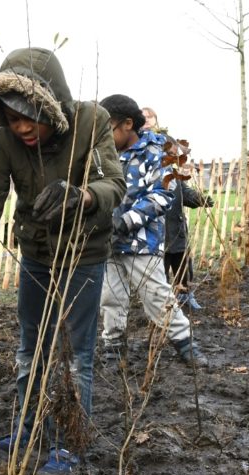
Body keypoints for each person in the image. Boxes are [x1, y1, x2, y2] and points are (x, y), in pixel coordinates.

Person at [0, 47, 126, 474]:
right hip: (36, 257)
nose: (20, 127)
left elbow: (114, 184)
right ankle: (27, 427)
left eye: (28, 117)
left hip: (82, 256)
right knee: (30, 348)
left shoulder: (91, 122)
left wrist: (82, 195)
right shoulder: (3, 144)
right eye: (11, 118)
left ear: (51, 104)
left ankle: (71, 442)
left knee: (75, 354)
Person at [98, 94, 208, 368]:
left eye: (107, 127)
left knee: (157, 296)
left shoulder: (157, 154)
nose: (103, 135)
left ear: (127, 124)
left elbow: (161, 195)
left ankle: (185, 343)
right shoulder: (105, 155)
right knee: (111, 298)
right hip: (108, 242)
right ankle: (114, 348)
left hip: (140, 242)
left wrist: (126, 221)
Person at [141, 107, 214, 310]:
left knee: (183, 265)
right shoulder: (145, 169)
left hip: (177, 227)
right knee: (159, 269)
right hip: (157, 229)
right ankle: (162, 300)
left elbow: (185, 193)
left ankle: (186, 295)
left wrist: (200, 199)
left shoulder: (173, 173)